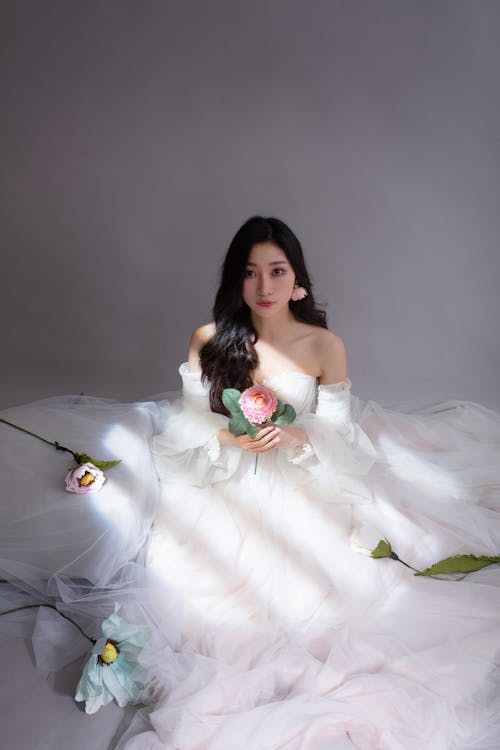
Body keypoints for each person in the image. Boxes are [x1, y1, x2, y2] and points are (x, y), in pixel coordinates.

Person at [122, 216, 500, 750]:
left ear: (297, 277)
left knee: (323, 592)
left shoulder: (324, 345)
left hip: (299, 479)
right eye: (251, 274)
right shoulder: (208, 339)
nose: (265, 287)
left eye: (277, 271)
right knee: (202, 590)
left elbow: (338, 431)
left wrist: (296, 435)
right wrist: (230, 440)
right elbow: (186, 424)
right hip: (224, 479)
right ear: (235, 279)